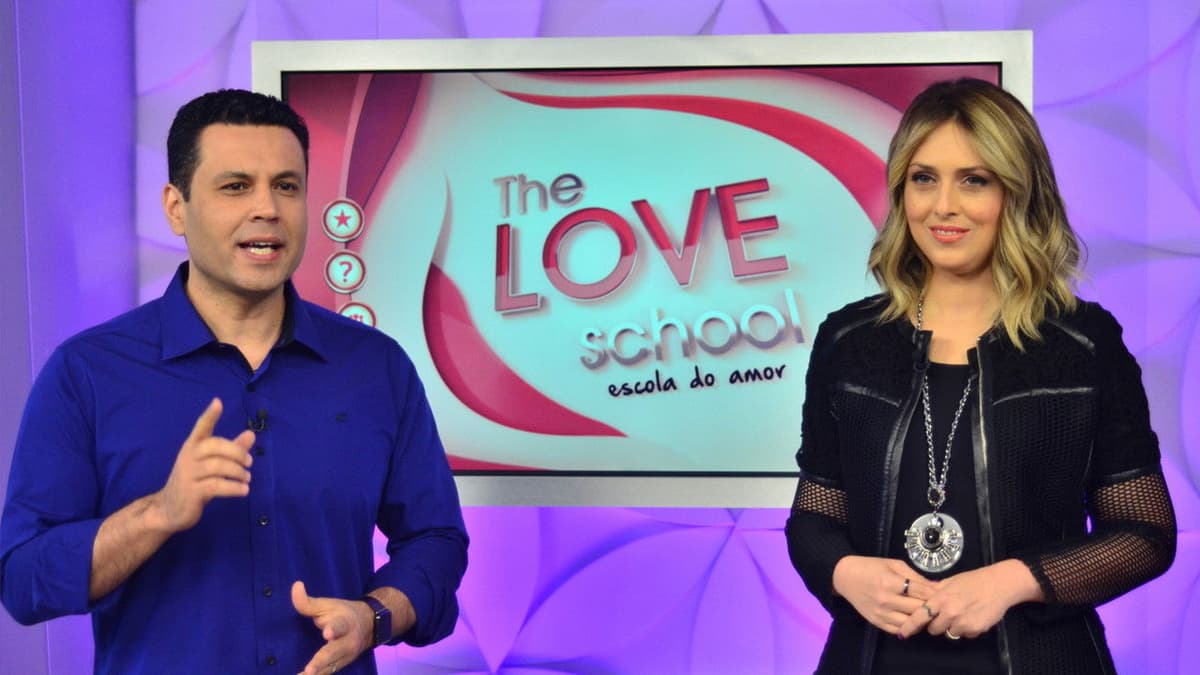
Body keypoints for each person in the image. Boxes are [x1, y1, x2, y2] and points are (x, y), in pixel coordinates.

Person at [0, 89, 468, 674]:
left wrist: (373, 617)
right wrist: (158, 514)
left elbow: (436, 541)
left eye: (287, 186)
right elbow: (24, 580)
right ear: (176, 207)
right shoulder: (87, 372)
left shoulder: (376, 368)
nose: (267, 208)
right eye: (236, 186)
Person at [785, 78, 1176, 674]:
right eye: (924, 178)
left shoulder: (1082, 344)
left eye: (974, 180)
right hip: (871, 660)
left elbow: (1144, 533)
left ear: (1016, 192)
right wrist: (845, 572)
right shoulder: (849, 341)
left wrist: (1015, 581)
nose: (943, 205)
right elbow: (814, 516)